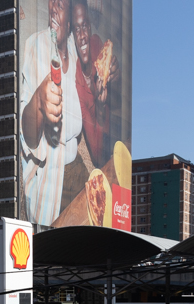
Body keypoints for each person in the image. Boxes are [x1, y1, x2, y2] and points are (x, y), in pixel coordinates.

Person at [20, 0, 82, 225]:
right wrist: (38, 101)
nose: (54, 7)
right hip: (49, 181)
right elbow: (27, 137)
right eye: (52, 2)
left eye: (62, 4)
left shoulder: (76, 48)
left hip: (76, 166)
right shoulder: (36, 45)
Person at [71, 0, 119, 166]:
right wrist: (99, 106)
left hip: (113, 128)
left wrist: (116, 75)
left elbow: (116, 99)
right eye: (77, 29)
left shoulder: (97, 43)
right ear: (72, 34)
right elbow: (98, 158)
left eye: (84, 26)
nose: (82, 35)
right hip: (101, 140)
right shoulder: (78, 88)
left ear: (90, 27)